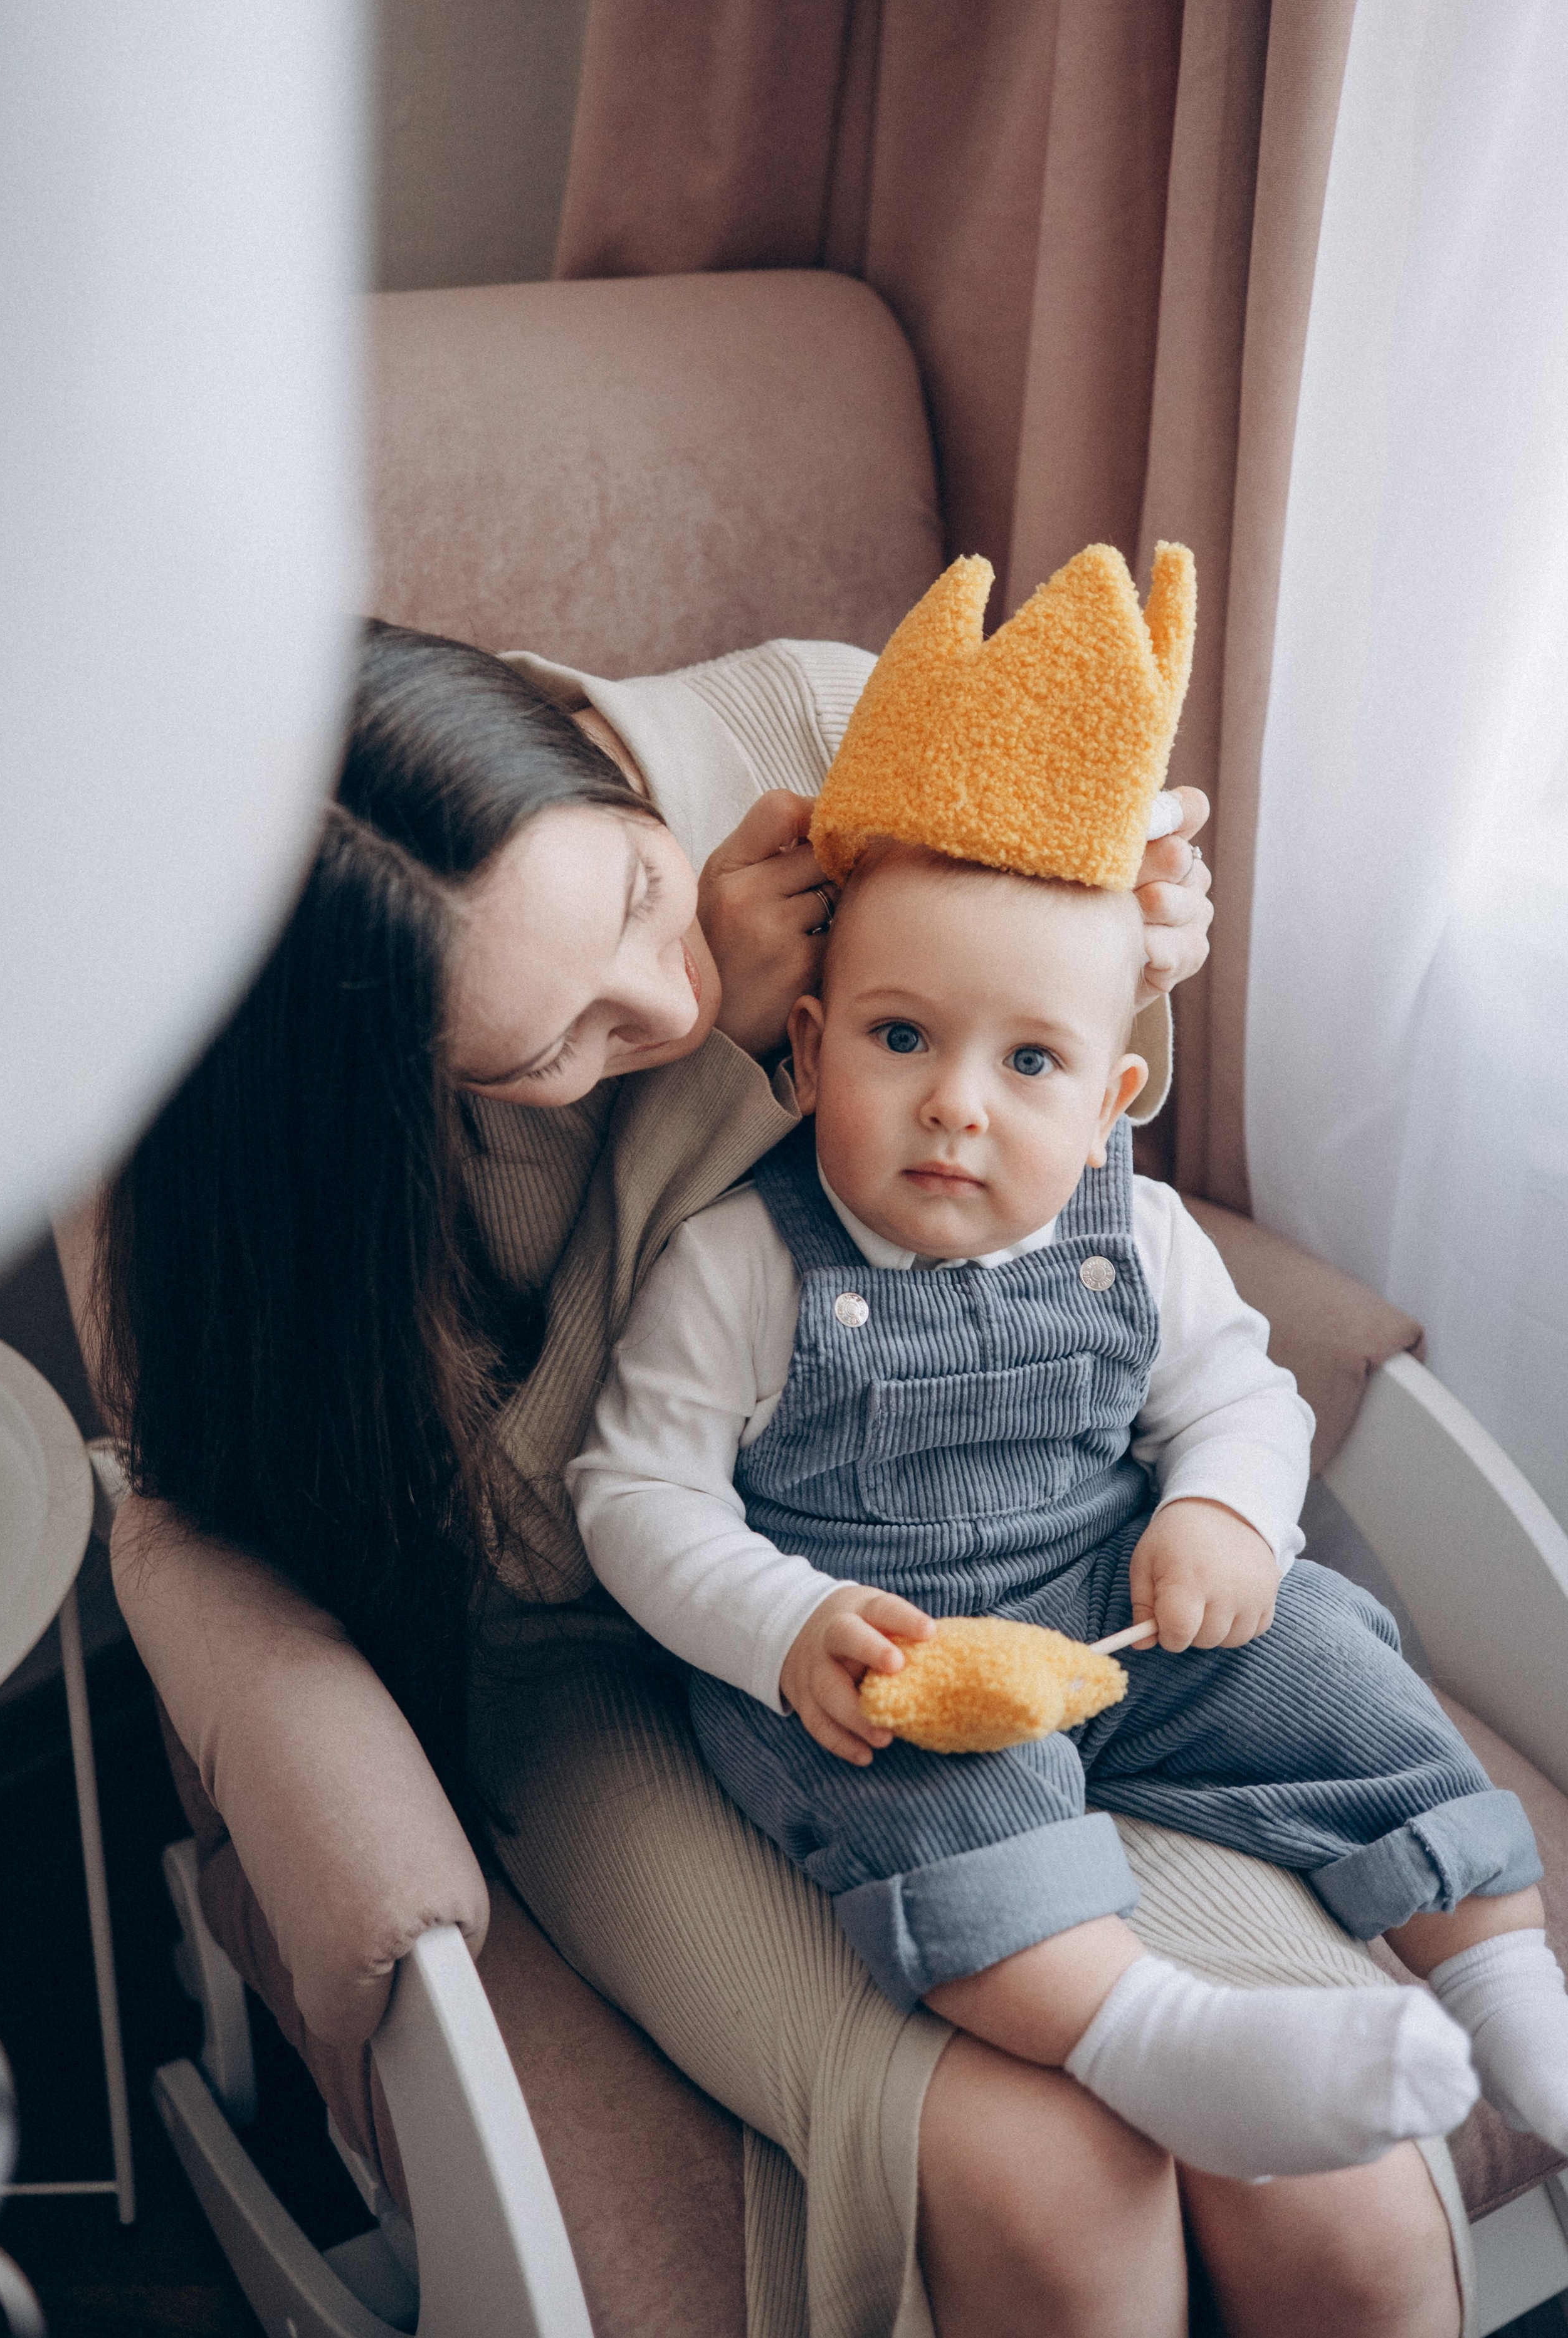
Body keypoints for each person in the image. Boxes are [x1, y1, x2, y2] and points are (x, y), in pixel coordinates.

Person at [98, 617, 1468, 2338]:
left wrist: (1135, 952)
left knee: (1341, 2198)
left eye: (636, 908)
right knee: (1048, 2188)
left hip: (1034, 1554)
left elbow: (1067, 1152)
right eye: (556, 1054)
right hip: (621, 1657)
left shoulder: (846, 724)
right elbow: (530, 1540)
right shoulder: (333, 1114)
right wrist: (713, 1081)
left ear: (583, 755)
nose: (657, 1002)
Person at [571, 834, 1565, 2181]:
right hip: (888, 1655)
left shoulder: (1139, 1235)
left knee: (1335, 1666)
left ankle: (1515, 2006)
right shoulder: (743, 1260)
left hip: (1114, 1605)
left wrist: (1220, 1512)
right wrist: (788, 1626)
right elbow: (637, 1493)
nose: (954, 1105)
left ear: (1111, 1100)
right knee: (933, 1801)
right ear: (807, 1054)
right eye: (901, 1037)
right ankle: (1156, 2037)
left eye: (1028, 1061)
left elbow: (1241, 1399)